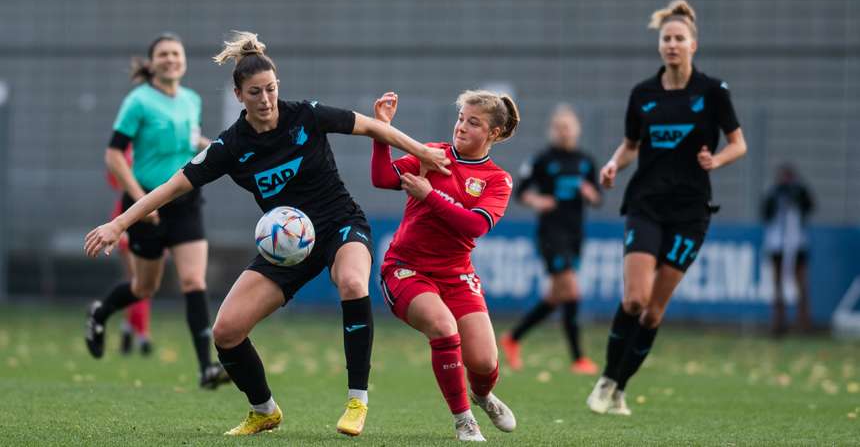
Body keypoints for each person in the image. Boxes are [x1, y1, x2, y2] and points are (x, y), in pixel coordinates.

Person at [85, 31, 451, 437]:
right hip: (287, 247)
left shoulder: (306, 115)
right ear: (238, 95)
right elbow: (173, 186)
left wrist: (420, 151)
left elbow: (370, 127)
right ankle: (264, 411)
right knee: (226, 331)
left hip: (340, 224)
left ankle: (356, 400)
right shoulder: (231, 146)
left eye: (271, 89)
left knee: (351, 281)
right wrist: (119, 223)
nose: (265, 99)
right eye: (255, 92)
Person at [587, 0, 747, 416]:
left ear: (693, 45)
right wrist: (613, 164)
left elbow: (738, 144)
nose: (672, 44)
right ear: (659, 45)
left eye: (679, 38)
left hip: (691, 212)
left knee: (654, 313)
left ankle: (620, 388)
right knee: (634, 300)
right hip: (646, 204)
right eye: (666, 39)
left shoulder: (713, 92)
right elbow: (631, 145)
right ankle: (607, 379)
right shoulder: (643, 94)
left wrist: (717, 160)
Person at [371, 90, 519, 441]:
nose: (461, 127)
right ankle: (464, 420)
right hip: (406, 268)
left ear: (494, 133)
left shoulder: (497, 179)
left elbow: (475, 225)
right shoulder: (432, 155)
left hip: (457, 274)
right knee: (443, 327)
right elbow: (383, 178)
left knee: (484, 363)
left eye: (473, 123)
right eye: (460, 118)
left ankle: (482, 396)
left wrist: (430, 195)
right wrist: (381, 132)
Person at [83, 32, 229, 388]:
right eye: (163, 54)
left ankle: (206, 368)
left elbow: (189, 141)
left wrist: (220, 149)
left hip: (186, 202)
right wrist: (139, 200)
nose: (171, 59)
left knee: (193, 281)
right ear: (152, 63)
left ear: (184, 61)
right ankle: (100, 312)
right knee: (144, 287)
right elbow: (114, 156)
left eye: (176, 54)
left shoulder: (191, 100)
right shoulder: (138, 101)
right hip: (146, 203)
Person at [500, 104, 601, 375]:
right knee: (571, 290)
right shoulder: (542, 159)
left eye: (568, 127)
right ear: (552, 131)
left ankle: (513, 338)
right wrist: (537, 200)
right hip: (551, 233)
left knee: (557, 296)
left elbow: (597, 197)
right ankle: (579, 358)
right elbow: (521, 192)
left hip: (575, 233)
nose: (563, 132)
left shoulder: (585, 161)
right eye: (559, 127)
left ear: (577, 129)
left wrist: (591, 194)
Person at [105, 144, 153, 356]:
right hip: (129, 219)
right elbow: (114, 178)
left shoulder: (133, 148)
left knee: (140, 282)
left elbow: (113, 180)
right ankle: (142, 334)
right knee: (140, 282)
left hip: (147, 217)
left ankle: (129, 328)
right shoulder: (128, 149)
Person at [762, 163, 814, 336]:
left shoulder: (800, 192)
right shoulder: (773, 193)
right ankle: (778, 322)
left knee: (801, 285)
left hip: (797, 243)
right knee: (777, 286)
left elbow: (809, 207)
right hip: (777, 244)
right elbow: (765, 213)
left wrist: (798, 193)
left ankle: (803, 323)